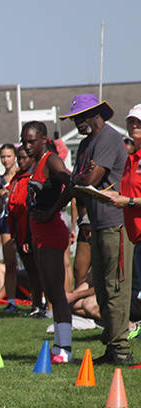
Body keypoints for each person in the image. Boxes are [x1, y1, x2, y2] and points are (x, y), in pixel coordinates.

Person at [63, 94, 132, 365]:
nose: (78, 122)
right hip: (97, 223)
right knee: (102, 289)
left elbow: (90, 178)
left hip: (116, 222)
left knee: (116, 287)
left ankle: (122, 349)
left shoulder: (108, 138)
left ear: (97, 114)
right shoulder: (84, 144)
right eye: (75, 118)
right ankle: (112, 347)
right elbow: (75, 181)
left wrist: (81, 176)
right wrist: (79, 176)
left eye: (82, 117)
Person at [23, 121, 74, 363]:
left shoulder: (51, 159)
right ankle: (58, 346)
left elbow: (71, 183)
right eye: (24, 142)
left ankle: (65, 348)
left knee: (56, 293)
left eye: (31, 141)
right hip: (38, 233)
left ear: (44, 139)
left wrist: (52, 212)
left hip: (51, 230)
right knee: (50, 293)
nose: (27, 146)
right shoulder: (36, 164)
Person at [102, 104, 141, 325]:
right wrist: (113, 196)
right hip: (135, 236)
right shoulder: (131, 158)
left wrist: (128, 201)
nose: (134, 125)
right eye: (131, 121)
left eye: (139, 122)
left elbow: (132, 198)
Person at [6, 146, 46, 317]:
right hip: (20, 230)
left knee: (39, 271)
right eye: (19, 158)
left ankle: (45, 305)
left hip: (32, 229)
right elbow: (12, 205)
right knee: (31, 272)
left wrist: (28, 236)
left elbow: (27, 206)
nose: (21, 161)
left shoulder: (34, 176)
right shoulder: (16, 178)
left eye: (24, 158)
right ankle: (36, 305)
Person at [0, 144, 19, 311]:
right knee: (10, 264)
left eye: (8, 156)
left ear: (14, 156)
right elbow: (0, 210)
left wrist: (12, 195)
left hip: (22, 221)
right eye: (2, 157)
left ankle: (40, 300)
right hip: (7, 222)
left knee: (33, 263)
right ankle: (11, 301)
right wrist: (0, 198)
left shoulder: (22, 175)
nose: (5, 160)